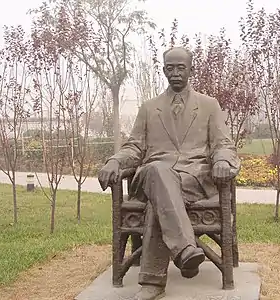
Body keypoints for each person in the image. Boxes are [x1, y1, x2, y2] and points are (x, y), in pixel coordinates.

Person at [98, 46, 240, 300]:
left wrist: (222, 161)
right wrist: (115, 162)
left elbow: (223, 144)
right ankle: (186, 250)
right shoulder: (149, 108)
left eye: (181, 67)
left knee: (159, 202)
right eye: (170, 68)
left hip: (192, 180)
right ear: (163, 70)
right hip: (152, 175)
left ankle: (153, 283)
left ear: (191, 70)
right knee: (157, 171)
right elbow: (133, 146)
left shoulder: (209, 105)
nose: (175, 73)